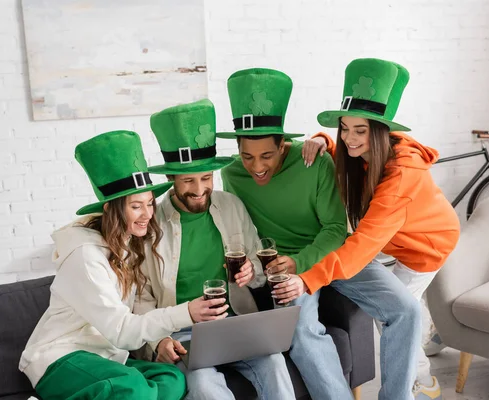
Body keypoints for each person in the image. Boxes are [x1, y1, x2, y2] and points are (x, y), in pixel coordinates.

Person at [279, 58, 461, 400]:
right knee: (402, 310)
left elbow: (361, 246)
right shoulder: (366, 152)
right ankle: (427, 339)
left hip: (426, 246)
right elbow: (349, 154)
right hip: (393, 238)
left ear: (379, 131)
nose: (349, 137)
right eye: (344, 128)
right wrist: (323, 141)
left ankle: (420, 384)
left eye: (359, 130)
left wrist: (307, 279)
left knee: (399, 313)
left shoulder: (403, 174)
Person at [19, 130, 200, 400]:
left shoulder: (127, 246)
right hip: (60, 358)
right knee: (131, 387)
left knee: (171, 378)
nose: (148, 215)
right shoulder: (85, 256)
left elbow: (136, 309)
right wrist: (187, 312)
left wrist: (159, 341)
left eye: (150, 203)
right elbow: (123, 331)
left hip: (107, 358)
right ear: (111, 209)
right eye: (136, 206)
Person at [134, 99, 296, 400]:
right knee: (205, 387)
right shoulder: (151, 224)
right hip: (183, 332)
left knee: (275, 362)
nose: (198, 190)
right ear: (170, 178)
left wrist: (252, 270)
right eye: (188, 181)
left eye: (206, 178)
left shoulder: (231, 205)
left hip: (237, 325)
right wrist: (159, 341)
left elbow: (260, 275)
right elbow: (140, 297)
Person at [218, 67, 360, 400]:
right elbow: (238, 229)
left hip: (323, 254)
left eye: (266, 155)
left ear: (284, 144)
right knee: (301, 328)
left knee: (403, 308)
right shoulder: (231, 175)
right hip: (279, 266)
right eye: (247, 156)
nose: (256, 167)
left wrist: (298, 263)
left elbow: (336, 229)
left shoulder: (314, 163)